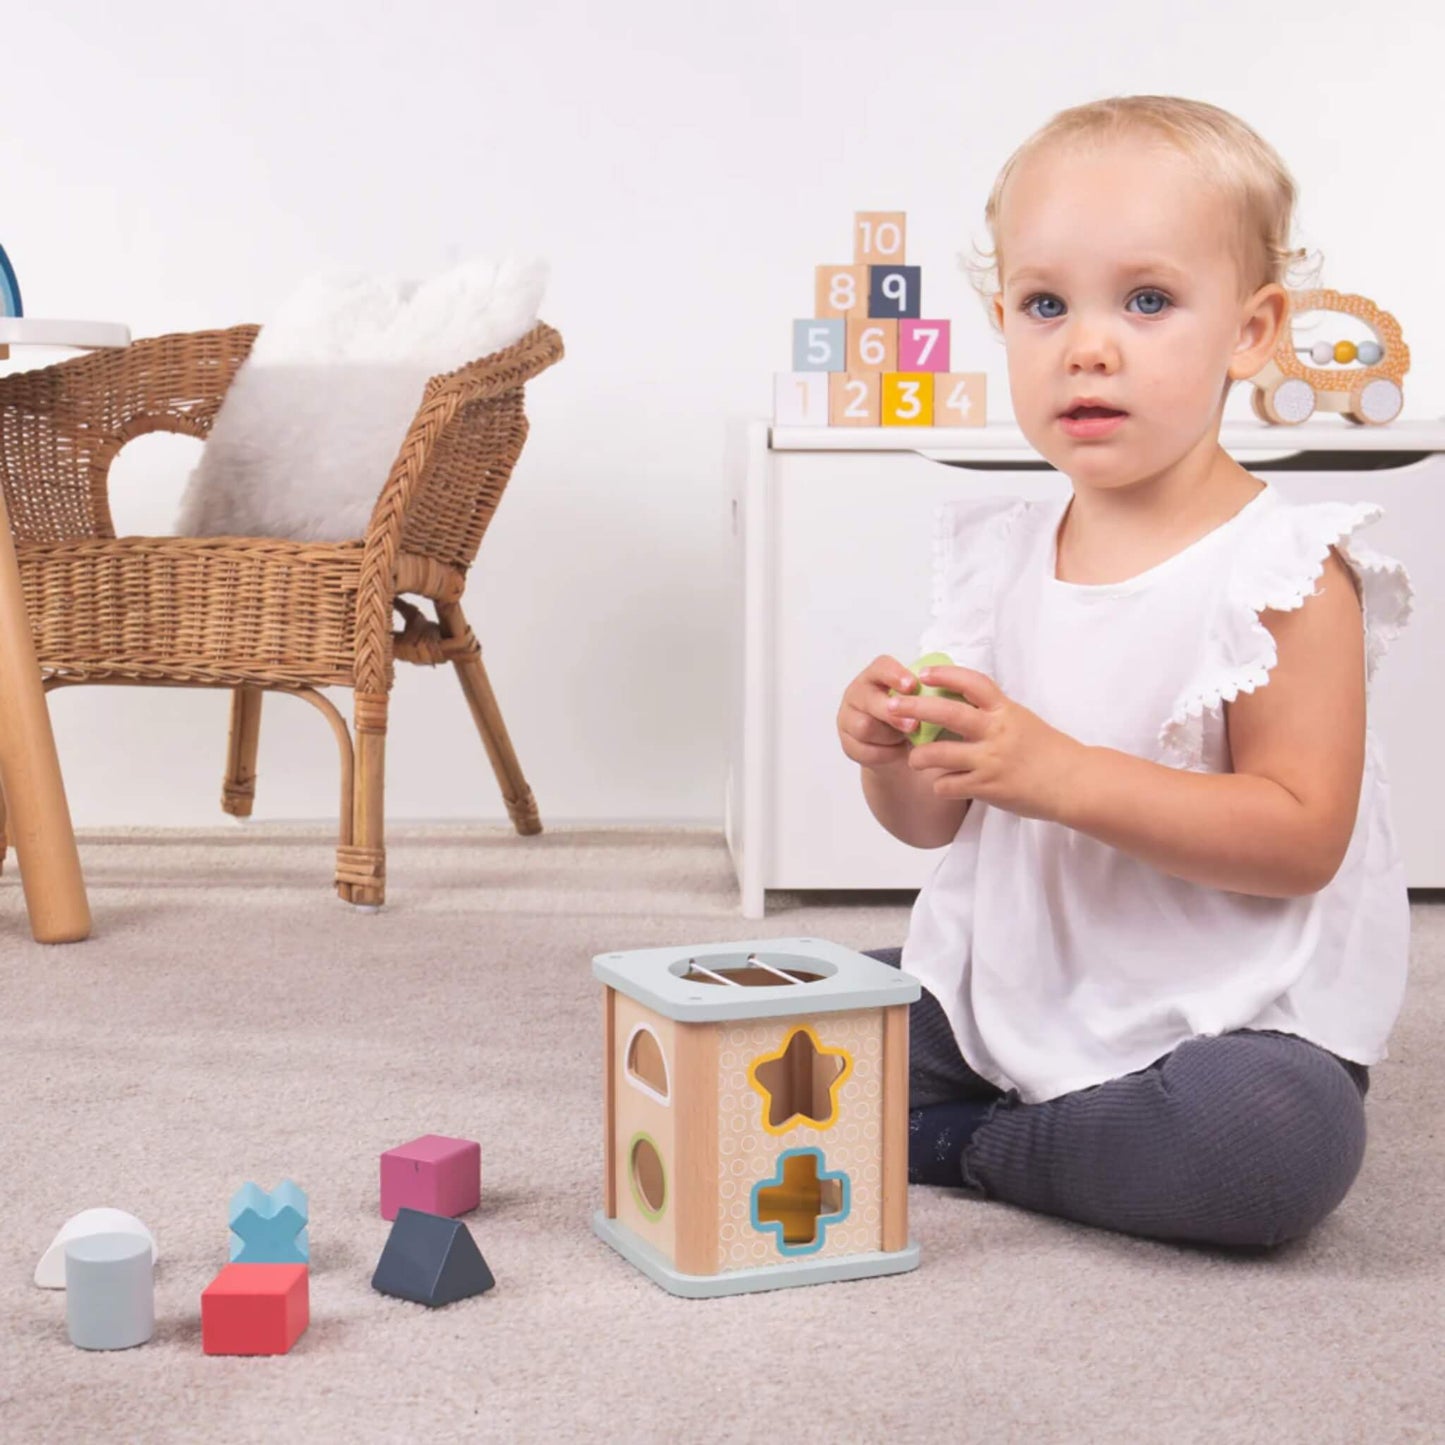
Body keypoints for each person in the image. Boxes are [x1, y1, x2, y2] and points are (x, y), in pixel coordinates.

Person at [835, 94, 1414, 1250]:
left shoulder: (1284, 571)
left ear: (1250, 333)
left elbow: (1298, 838)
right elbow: (927, 827)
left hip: (1223, 1017)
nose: (1086, 344)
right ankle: (1027, 1099)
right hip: (1020, 971)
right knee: (776, 1018)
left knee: (1263, 1148)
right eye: (1044, 304)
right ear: (1003, 319)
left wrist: (1054, 771)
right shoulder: (1001, 553)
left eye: (1146, 301)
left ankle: (968, 1145)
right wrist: (893, 754)